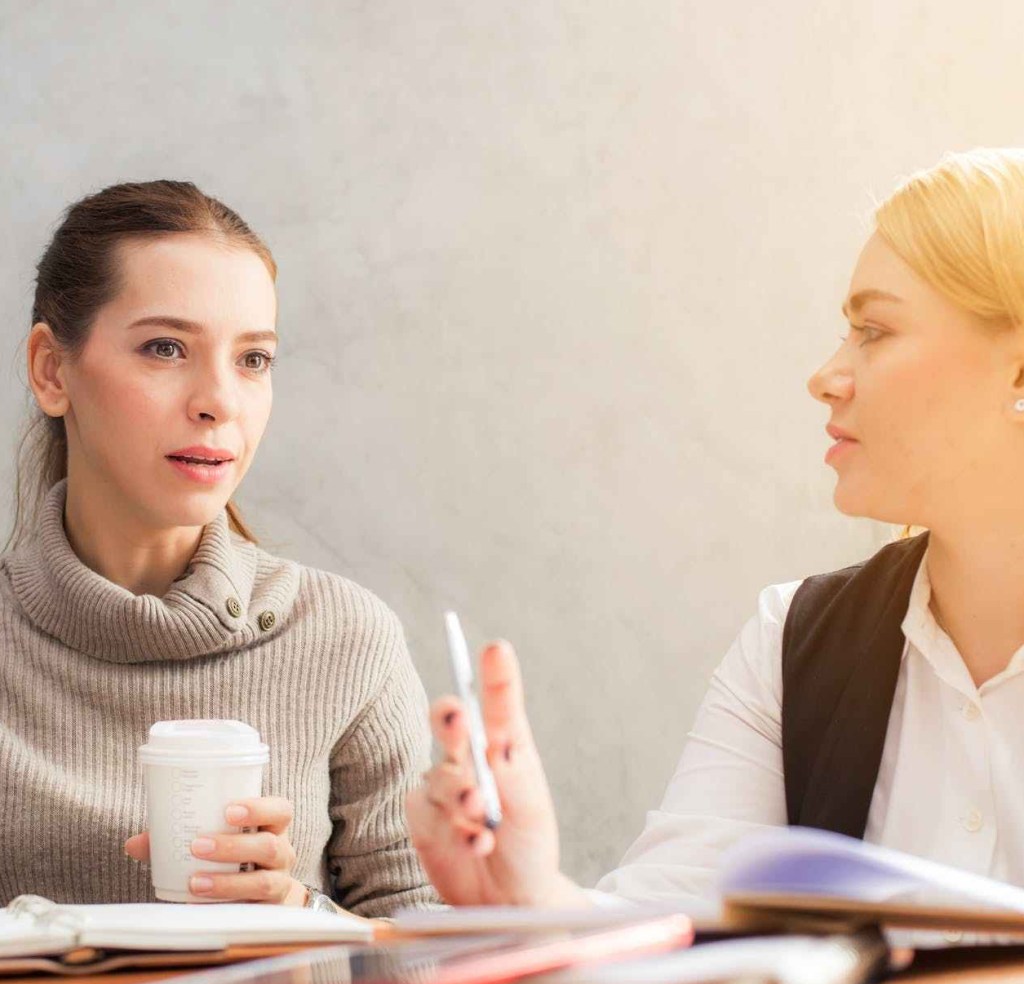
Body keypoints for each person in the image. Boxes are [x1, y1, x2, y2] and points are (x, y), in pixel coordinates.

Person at [407, 147, 1024, 920]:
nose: (826, 375)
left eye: (874, 330)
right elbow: (672, 922)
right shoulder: (792, 641)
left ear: (1019, 372)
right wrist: (531, 898)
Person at [0, 180, 434, 915]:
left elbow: (433, 961)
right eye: (165, 348)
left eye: (253, 360)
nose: (219, 401)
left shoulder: (347, 641)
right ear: (52, 370)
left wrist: (298, 921)